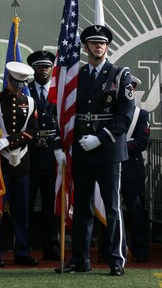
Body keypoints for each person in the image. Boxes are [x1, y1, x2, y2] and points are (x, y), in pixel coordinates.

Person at [55, 25, 135, 276]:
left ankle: (116, 260)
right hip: (82, 149)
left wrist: (100, 139)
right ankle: (80, 259)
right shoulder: (77, 76)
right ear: (86, 47)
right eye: (93, 43)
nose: (98, 47)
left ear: (107, 47)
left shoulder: (120, 75)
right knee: (81, 208)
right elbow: (67, 111)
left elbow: (125, 116)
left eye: (102, 43)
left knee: (112, 207)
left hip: (108, 150)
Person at [0, 61, 39, 267]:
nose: (18, 87)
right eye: (15, 82)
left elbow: (33, 131)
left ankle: (22, 251)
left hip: (21, 160)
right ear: (8, 79)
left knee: (21, 210)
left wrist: (10, 140)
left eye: (22, 84)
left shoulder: (30, 102)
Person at [26, 51, 60, 261]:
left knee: (51, 206)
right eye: (40, 67)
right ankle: (24, 248)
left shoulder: (60, 90)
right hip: (28, 155)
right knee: (26, 205)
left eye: (47, 66)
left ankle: (52, 248)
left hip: (52, 156)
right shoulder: (25, 90)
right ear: (34, 70)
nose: (44, 70)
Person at [121, 75, 150, 263]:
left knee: (136, 210)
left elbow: (141, 142)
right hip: (110, 168)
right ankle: (112, 249)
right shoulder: (109, 112)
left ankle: (140, 250)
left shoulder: (141, 114)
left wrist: (116, 147)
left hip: (132, 169)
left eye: (130, 88)